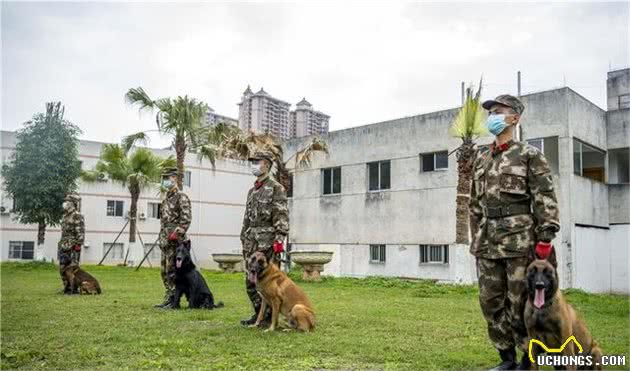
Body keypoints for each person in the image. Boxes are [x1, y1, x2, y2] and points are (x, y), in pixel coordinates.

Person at [469, 94, 560, 370]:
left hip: (520, 242)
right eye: (490, 113)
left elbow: (545, 198)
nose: (492, 117)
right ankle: (506, 358)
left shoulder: (529, 155)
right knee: (490, 302)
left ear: (514, 118)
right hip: (488, 242)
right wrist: (475, 236)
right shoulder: (481, 159)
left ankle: (528, 358)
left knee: (520, 303)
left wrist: (545, 239)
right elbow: (475, 203)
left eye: (499, 111)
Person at [240, 150, 289, 326]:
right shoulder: (252, 191)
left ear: (267, 164)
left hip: (268, 243)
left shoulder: (276, 188)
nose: (254, 165)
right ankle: (258, 314)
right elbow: (247, 217)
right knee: (250, 282)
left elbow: (281, 215)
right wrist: (243, 236)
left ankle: (269, 318)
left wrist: (279, 239)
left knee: (269, 283)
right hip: (251, 242)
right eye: (252, 162)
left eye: (257, 161)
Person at [154, 167, 192, 309]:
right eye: (163, 178)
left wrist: (178, 232)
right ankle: (169, 296)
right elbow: (163, 221)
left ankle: (174, 300)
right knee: (164, 271)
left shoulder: (181, 197)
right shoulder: (165, 199)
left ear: (175, 178)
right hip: (165, 240)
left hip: (175, 241)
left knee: (173, 271)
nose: (164, 180)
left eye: (167, 177)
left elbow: (186, 219)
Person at [58, 192, 85, 294]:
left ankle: (74, 289)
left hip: (73, 245)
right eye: (65, 201)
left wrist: (78, 245)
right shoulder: (65, 215)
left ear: (72, 203)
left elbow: (80, 231)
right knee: (62, 268)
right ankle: (66, 287)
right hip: (64, 244)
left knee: (72, 268)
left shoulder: (77, 216)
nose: (65, 203)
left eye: (67, 201)